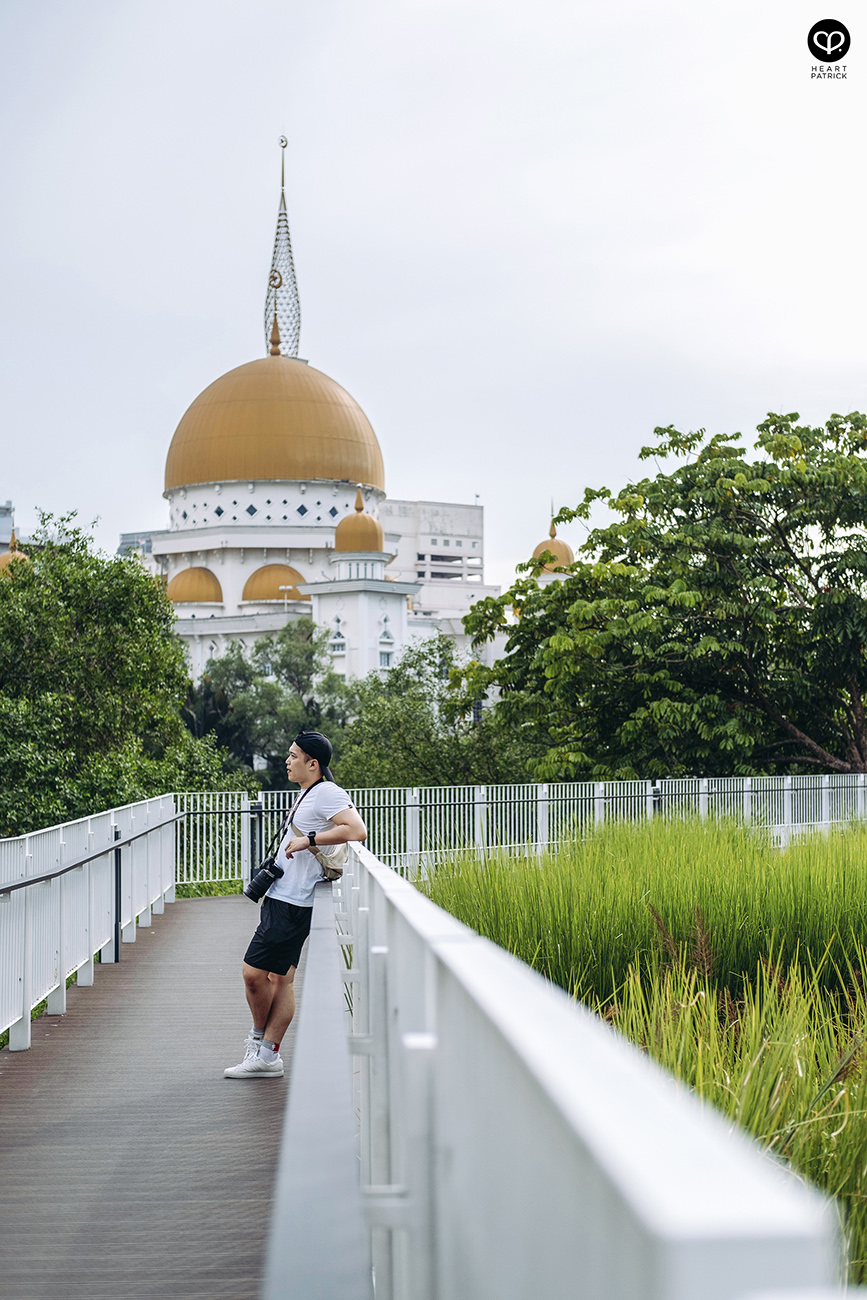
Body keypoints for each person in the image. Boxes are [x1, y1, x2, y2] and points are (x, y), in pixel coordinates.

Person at [224, 731, 367, 1079]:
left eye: (293, 756)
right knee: (280, 979)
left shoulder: (326, 793)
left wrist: (309, 840)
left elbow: (357, 829)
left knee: (253, 974)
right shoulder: (308, 793)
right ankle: (268, 1055)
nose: (287, 761)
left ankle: (260, 1045)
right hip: (283, 894)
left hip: (292, 901)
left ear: (312, 763)